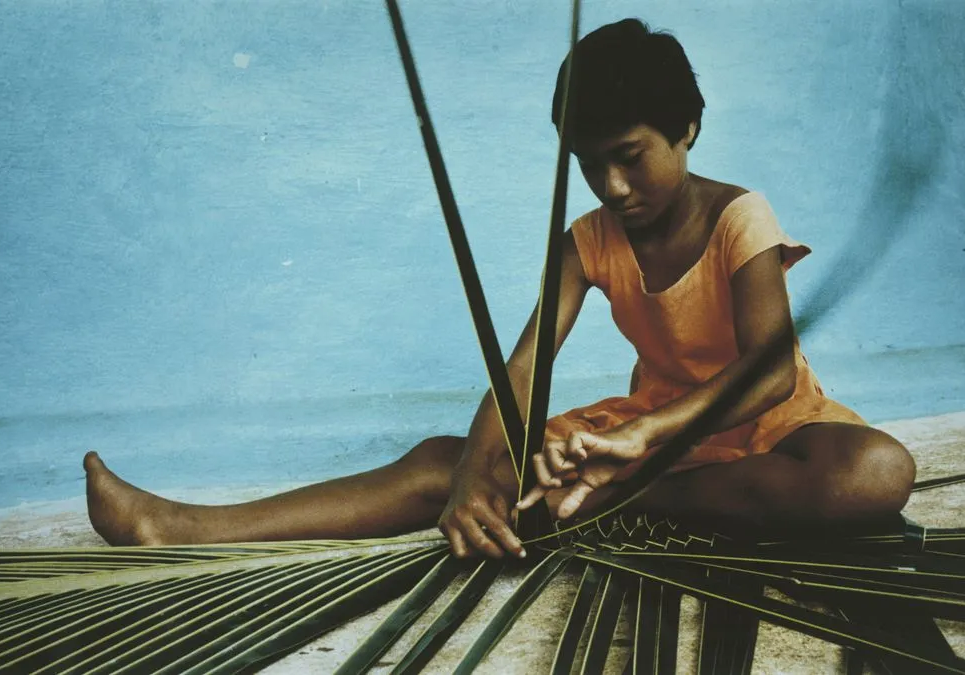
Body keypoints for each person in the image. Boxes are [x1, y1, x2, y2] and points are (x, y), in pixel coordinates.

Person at [84, 18, 915, 558]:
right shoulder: (586, 240)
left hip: (760, 431)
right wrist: (475, 481)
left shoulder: (742, 218)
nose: (614, 186)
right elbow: (523, 368)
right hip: (644, 444)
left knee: (875, 471)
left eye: (631, 154)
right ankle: (175, 524)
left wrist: (643, 445)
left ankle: (637, 498)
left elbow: (768, 373)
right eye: (592, 165)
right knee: (451, 462)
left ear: (687, 128)